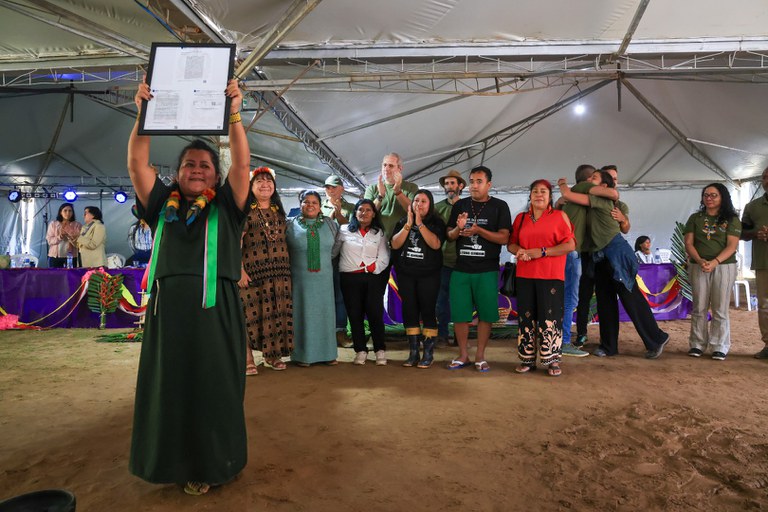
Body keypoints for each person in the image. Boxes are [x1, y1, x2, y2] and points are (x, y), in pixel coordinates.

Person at [128, 78, 250, 495]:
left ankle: (214, 463)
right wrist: (143, 113)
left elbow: (242, 166)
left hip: (217, 311)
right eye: (189, 165)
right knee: (170, 386)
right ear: (176, 173)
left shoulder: (226, 205)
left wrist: (234, 112)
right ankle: (173, 462)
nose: (197, 170)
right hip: (168, 314)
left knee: (213, 385)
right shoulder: (162, 205)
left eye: (204, 166)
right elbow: (136, 163)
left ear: (215, 174)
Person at [559, 170, 670, 359]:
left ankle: (656, 338)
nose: (589, 182)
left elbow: (569, 195)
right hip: (598, 256)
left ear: (603, 187)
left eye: (594, 179)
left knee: (630, 297)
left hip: (615, 252)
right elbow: (565, 204)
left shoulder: (603, 201)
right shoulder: (589, 201)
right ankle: (608, 346)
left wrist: (562, 184)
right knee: (604, 301)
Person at [445, 165, 511, 372]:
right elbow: (449, 235)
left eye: (479, 181)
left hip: (487, 270)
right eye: (472, 181)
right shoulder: (460, 205)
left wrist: (478, 230)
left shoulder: (500, 206)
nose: (474, 185)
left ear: (488, 184)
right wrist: (459, 228)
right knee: (460, 314)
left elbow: (504, 238)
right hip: (461, 268)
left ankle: (480, 356)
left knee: (486, 314)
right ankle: (463, 354)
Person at [508, 180, 575, 377]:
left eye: (543, 191)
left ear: (550, 196)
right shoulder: (521, 219)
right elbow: (511, 244)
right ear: (529, 195)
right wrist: (519, 251)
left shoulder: (559, 216)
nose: (539, 194)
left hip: (551, 275)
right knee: (526, 318)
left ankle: (552, 360)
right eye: (535, 191)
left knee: (550, 318)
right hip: (525, 275)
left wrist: (542, 252)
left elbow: (570, 245)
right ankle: (527, 359)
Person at [239, 166, 293, 374]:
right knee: (249, 317)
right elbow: (236, 242)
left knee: (276, 314)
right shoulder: (245, 213)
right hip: (253, 274)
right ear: (251, 187)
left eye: (268, 181)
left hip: (279, 274)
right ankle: (248, 358)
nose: (265, 184)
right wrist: (239, 270)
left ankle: (273, 356)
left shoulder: (279, 214)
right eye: (259, 181)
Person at [573, 164, 631, 348]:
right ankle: (582, 333)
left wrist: (623, 219)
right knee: (584, 295)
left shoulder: (620, 205)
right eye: (610, 178)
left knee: (608, 298)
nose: (614, 182)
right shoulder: (587, 200)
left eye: (616, 178)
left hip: (609, 257)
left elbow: (626, 229)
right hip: (587, 255)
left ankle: (608, 340)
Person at [684, 183, 741, 360]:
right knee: (699, 306)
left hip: (724, 266)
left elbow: (732, 246)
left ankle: (720, 346)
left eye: (713, 195)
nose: (709, 198)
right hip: (698, 265)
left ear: (722, 197)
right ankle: (697, 344)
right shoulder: (695, 218)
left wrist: (715, 262)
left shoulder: (732, 219)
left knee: (720, 307)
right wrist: (700, 260)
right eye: (706, 195)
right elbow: (688, 243)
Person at [391, 189, 446, 368]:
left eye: (423, 201)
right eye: (416, 201)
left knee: (428, 311)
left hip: (429, 276)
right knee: (410, 311)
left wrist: (420, 224)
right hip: (406, 275)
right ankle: (413, 352)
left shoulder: (437, 222)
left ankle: (428, 353)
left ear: (430, 205)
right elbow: (395, 244)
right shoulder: (402, 221)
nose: (419, 204)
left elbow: (435, 244)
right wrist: (408, 224)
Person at [333, 199, 390, 366]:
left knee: (375, 314)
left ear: (374, 214)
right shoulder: (343, 230)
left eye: (368, 210)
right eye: (360, 210)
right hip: (349, 279)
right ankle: (361, 350)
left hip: (373, 278)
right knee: (355, 315)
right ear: (355, 213)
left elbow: (385, 256)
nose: (364, 213)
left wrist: (374, 267)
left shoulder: (378, 233)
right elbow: (334, 252)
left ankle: (380, 349)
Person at [287, 190, 339, 366]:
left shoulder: (331, 224)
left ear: (320, 205)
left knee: (325, 315)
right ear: (300, 204)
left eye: (314, 202)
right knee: (303, 315)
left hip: (324, 280)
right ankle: (303, 356)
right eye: (306, 202)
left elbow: (335, 250)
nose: (310, 205)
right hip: (300, 281)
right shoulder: (289, 225)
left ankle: (328, 354)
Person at [558, 164, 599, 358]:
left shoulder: (567, 201)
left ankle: (556, 337)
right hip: (571, 253)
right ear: (589, 179)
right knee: (569, 300)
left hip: (560, 253)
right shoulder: (582, 190)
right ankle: (564, 341)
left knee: (559, 298)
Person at [322, 174, 355, 348]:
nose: (330, 190)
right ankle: (324, 332)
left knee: (340, 296)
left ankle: (340, 332)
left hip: (343, 258)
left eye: (334, 187)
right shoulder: (318, 207)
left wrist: (338, 213)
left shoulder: (351, 207)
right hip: (322, 257)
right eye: (327, 187)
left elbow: (350, 229)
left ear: (341, 188)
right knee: (323, 295)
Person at [433, 169, 466, 346]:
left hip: (464, 261)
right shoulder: (437, 208)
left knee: (462, 301)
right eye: (446, 183)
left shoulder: (468, 206)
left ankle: (460, 338)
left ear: (460, 185)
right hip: (443, 260)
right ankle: (443, 335)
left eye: (453, 183)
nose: (449, 186)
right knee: (441, 300)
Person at [742, 165, 768, 359]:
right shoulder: (753, 206)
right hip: (763, 263)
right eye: (765, 177)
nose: (767, 180)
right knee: (765, 306)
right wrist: (755, 233)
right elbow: (741, 233)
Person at [364, 152, 419, 238]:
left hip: (402, 239)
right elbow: (366, 214)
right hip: (377, 239)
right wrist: (380, 196)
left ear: (400, 168)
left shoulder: (411, 188)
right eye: (384, 165)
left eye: (391, 166)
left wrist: (398, 192)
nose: (386, 168)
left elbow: (414, 211)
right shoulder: (372, 188)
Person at [45, 203, 81, 268]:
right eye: (65, 210)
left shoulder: (77, 225)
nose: (68, 213)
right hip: (55, 256)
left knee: (70, 276)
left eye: (70, 211)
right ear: (60, 212)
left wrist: (70, 235)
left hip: (71, 256)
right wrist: (60, 237)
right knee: (55, 276)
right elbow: (49, 240)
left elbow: (79, 242)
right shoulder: (53, 224)